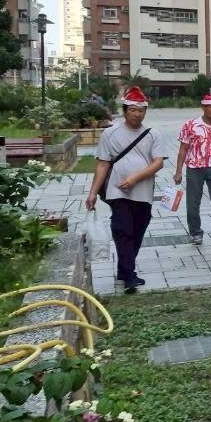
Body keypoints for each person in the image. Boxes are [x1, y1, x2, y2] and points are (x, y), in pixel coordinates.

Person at [85, 86, 166, 294]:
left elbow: (158, 163)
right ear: (124, 110)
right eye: (132, 110)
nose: (136, 114)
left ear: (145, 112)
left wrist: (135, 178)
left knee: (138, 229)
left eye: (141, 110)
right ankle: (129, 276)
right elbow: (103, 164)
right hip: (117, 191)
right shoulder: (110, 134)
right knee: (123, 230)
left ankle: (124, 269)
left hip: (143, 191)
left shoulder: (152, 134)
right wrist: (93, 192)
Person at [175, 92, 211, 249]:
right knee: (193, 204)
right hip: (194, 168)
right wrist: (178, 171)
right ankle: (196, 232)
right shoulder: (190, 125)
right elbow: (183, 149)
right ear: (203, 107)